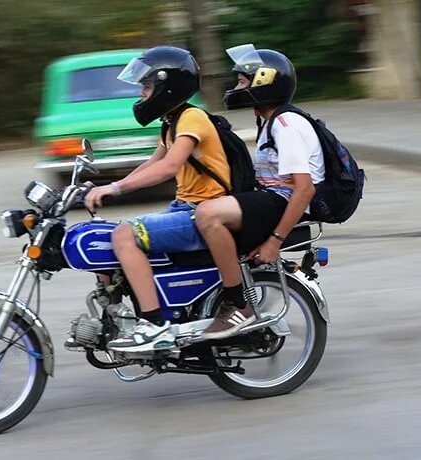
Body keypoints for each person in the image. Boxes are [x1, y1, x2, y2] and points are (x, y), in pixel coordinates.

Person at [84, 46, 231, 352]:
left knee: (125, 236)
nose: (141, 94)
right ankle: (118, 312)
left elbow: (169, 167)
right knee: (107, 237)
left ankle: (154, 326)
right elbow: (151, 163)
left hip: (203, 213)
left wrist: (115, 190)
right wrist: (107, 185)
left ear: (168, 86)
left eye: (147, 87)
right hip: (185, 207)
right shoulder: (172, 122)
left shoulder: (192, 118)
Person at [195, 45, 325, 340]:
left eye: (243, 81)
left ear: (264, 82)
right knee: (202, 209)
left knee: (208, 215)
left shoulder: (286, 125)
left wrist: (274, 242)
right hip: (274, 200)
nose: (236, 87)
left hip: (283, 203)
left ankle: (238, 304)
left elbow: (303, 190)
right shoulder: (272, 121)